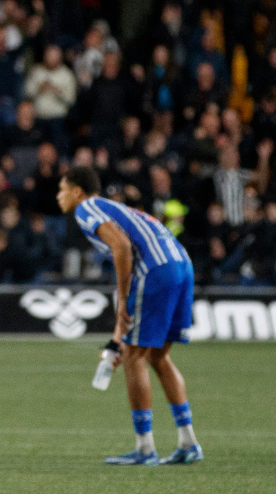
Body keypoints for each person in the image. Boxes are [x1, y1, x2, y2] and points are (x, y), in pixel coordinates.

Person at [57, 166, 202, 466]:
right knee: (158, 357)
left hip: (156, 270)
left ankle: (145, 448)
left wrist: (122, 300)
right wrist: (116, 338)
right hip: (181, 264)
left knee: (135, 356)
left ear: (78, 191)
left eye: (62, 189)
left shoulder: (86, 208)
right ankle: (188, 442)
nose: (59, 196)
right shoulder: (115, 207)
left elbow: (122, 247)